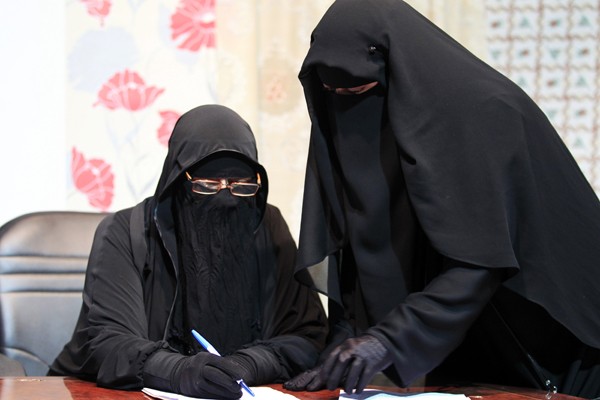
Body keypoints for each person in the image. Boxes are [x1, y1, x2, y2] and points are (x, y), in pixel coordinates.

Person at [282, 0, 600, 398]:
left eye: (358, 88)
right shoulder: (353, 116)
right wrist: (345, 341)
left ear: (397, 70)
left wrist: (386, 343)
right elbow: (363, 244)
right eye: (331, 91)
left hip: (556, 339)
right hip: (470, 345)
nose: (344, 101)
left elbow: (480, 261)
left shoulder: (484, 113)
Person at [49, 104, 328, 399]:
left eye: (242, 186)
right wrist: (179, 372)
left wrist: (246, 364)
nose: (226, 196)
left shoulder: (265, 226)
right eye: (207, 185)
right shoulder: (126, 232)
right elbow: (110, 344)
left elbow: (308, 335)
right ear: (176, 183)